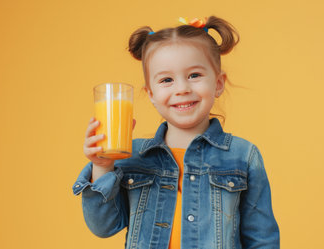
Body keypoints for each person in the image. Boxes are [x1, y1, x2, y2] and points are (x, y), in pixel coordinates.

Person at [72, 16, 280, 249]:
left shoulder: (244, 156)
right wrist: (102, 167)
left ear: (218, 83)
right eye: (167, 79)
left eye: (194, 75)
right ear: (150, 93)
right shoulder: (131, 155)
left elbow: (263, 240)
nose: (182, 89)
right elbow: (103, 227)